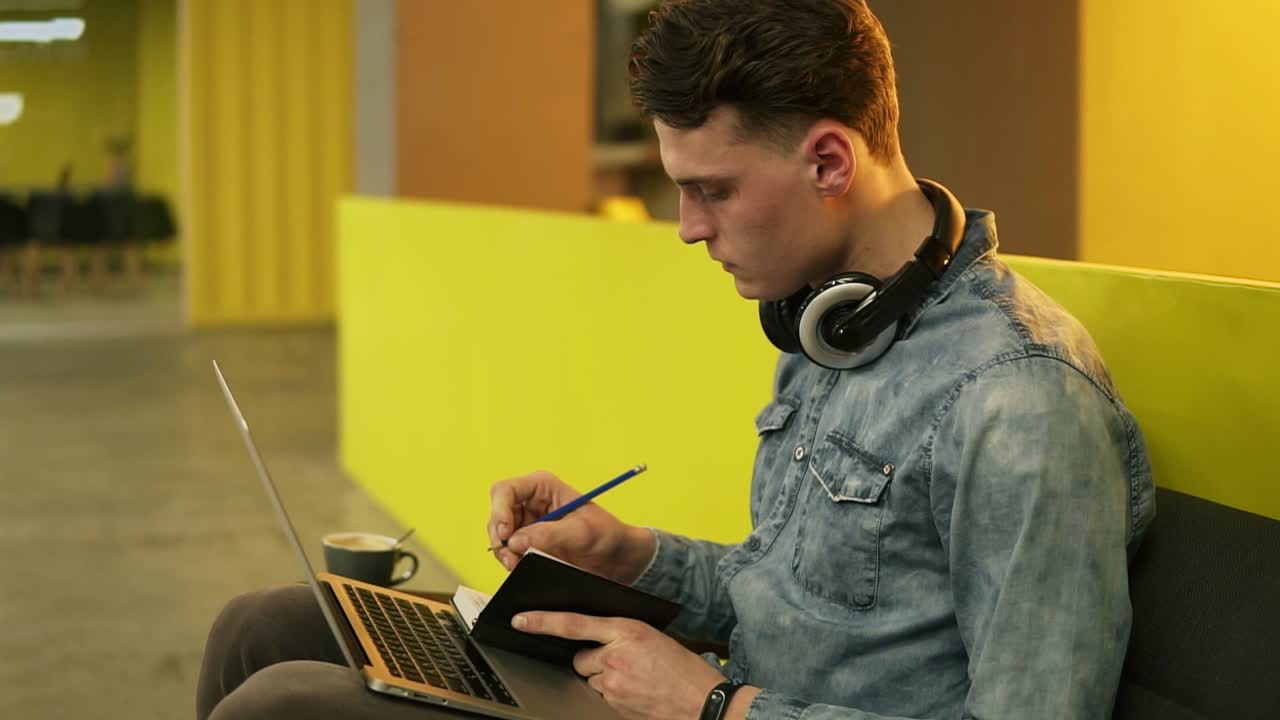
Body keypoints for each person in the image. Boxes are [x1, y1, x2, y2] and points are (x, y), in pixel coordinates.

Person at [197, 2, 1154, 719]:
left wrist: (715, 706)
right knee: (266, 624)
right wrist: (634, 557)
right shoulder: (834, 325)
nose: (688, 230)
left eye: (713, 192)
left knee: (282, 705)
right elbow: (781, 592)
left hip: (713, 713)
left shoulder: (1021, 403)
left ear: (830, 163)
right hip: (699, 695)